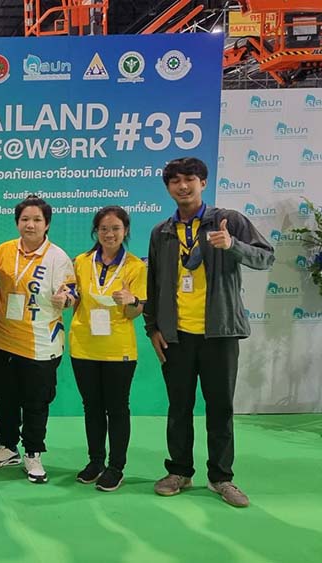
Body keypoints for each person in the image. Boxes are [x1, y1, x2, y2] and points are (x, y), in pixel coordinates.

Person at [144, 157, 275, 508]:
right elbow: (153, 282)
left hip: (220, 334)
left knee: (220, 408)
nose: (182, 186)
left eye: (189, 178)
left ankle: (221, 477)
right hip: (176, 336)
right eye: (175, 181)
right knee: (179, 407)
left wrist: (233, 245)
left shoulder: (227, 220)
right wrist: (152, 327)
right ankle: (179, 471)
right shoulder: (162, 232)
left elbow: (265, 257)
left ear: (203, 182)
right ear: (168, 188)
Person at [0, 195, 75, 484]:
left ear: (47, 224)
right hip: (3, 339)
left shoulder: (58, 257)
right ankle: (7, 446)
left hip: (41, 344)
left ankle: (33, 453)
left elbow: (71, 293)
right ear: (17, 223)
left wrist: (65, 298)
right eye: (25, 219)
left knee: (36, 402)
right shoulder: (3, 251)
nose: (30, 225)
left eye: (36, 220)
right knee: (4, 398)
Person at [69, 206, 147, 492]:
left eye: (115, 228)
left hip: (118, 350)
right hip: (83, 346)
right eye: (104, 228)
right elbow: (74, 299)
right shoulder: (81, 262)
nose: (109, 234)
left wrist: (131, 300)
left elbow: (135, 313)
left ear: (125, 231)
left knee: (117, 408)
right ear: (96, 231)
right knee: (91, 407)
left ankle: (116, 467)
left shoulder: (136, 266)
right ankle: (95, 461)